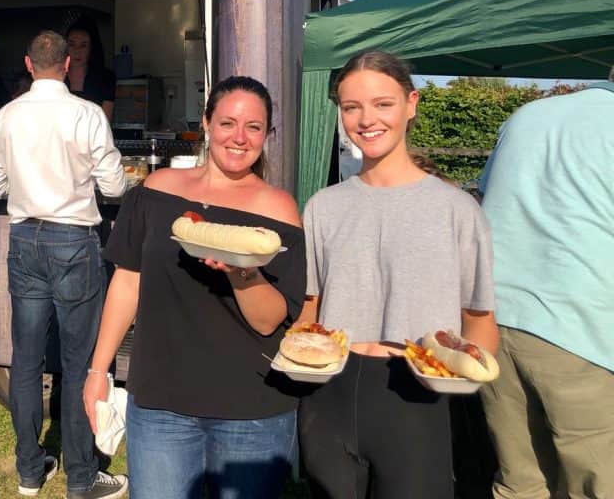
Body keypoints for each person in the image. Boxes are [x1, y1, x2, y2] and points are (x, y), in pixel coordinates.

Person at [84, 75, 306, 499]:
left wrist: (242, 273)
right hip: (161, 403)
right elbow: (127, 282)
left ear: (267, 134)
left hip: (251, 408)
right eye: (228, 123)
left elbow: (269, 322)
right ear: (206, 122)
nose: (239, 138)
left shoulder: (279, 211)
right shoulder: (155, 192)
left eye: (254, 127)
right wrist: (98, 371)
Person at [298, 49, 498, 499]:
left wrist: (467, 383)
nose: (366, 119)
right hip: (329, 398)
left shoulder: (457, 210)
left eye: (383, 103)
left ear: (411, 104)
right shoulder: (323, 207)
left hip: (421, 399)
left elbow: (480, 322)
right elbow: (309, 312)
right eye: (352, 107)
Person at [0, 30, 129, 499]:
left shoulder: (7, 115)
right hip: (74, 241)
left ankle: (29, 471)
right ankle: (81, 478)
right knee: (81, 362)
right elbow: (115, 187)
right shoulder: (87, 114)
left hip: (24, 238)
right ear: (66, 65)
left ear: (28, 64)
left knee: (26, 360)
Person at [477, 70, 614, 499]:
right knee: (596, 483)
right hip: (582, 330)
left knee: (519, 482)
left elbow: (488, 197)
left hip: (494, 319)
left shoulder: (527, 115)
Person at [65, 19, 116, 122]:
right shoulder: (55, 76)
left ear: (91, 48)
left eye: (83, 45)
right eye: (72, 44)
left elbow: (104, 123)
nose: (77, 51)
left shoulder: (106, 78)